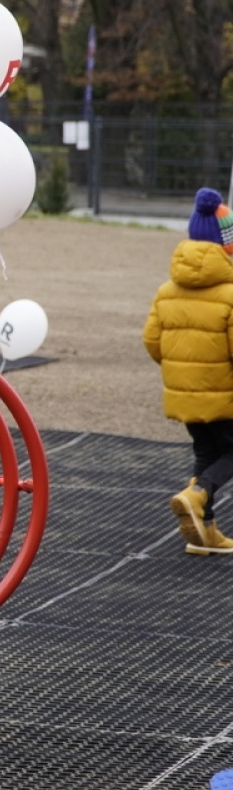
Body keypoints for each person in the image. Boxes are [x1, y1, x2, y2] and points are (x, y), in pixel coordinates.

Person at [144, 186, 233, 554]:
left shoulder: (168, 290)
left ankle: (205, 531)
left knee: (206, 452)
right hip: (224, 394)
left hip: (183, 391)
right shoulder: (229, 293)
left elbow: (152, 341)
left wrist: (183, 371)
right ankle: (198, 495)